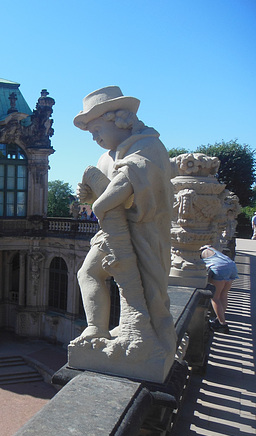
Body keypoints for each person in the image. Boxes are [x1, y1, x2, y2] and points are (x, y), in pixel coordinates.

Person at [72, 86, 176, 358]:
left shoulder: (148, 145)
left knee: (146, 289)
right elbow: (102, 191)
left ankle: (143, 334)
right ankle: (96, 328)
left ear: (118, 120)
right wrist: (88, 193)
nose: (94, 138)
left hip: (143, 229)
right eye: (92, 134)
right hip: (114, 231)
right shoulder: (106, 157)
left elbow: (128, 183)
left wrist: (99, 202)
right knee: (88, 273)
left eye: (97, 131)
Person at [200, 245, 237, 333]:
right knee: (223, 295)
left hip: (220, 268)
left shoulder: (199, 252)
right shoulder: (211, 248)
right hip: (231, 265)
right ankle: (219, 319)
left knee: (215, 297)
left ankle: (222, 324)